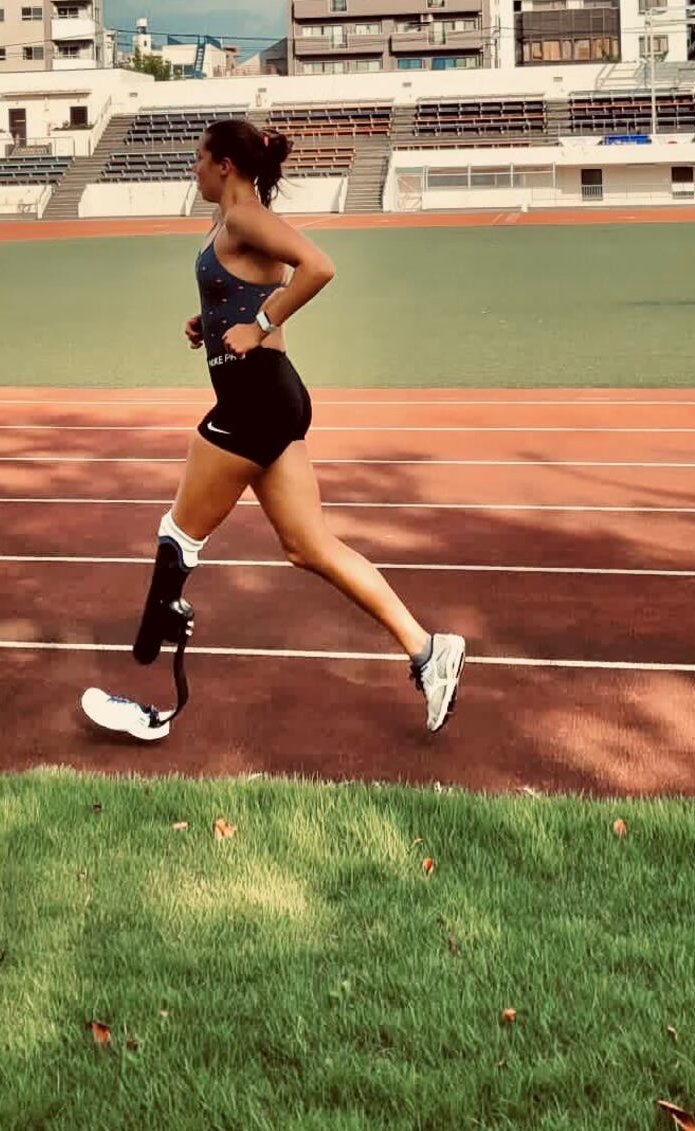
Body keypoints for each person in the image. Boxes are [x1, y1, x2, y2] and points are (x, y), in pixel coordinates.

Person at [82, 116, 464, 742]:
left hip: (254, 402)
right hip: (272, 398)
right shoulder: (232, 223)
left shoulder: (242, 217)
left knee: (177, 537)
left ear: (223, 165)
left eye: (198, 158)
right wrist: (211, 321)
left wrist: (259, 324)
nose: (193, 169)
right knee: (307, 547)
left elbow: (317, 265)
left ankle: (153, 698)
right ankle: (428, 652)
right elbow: (250, 284)